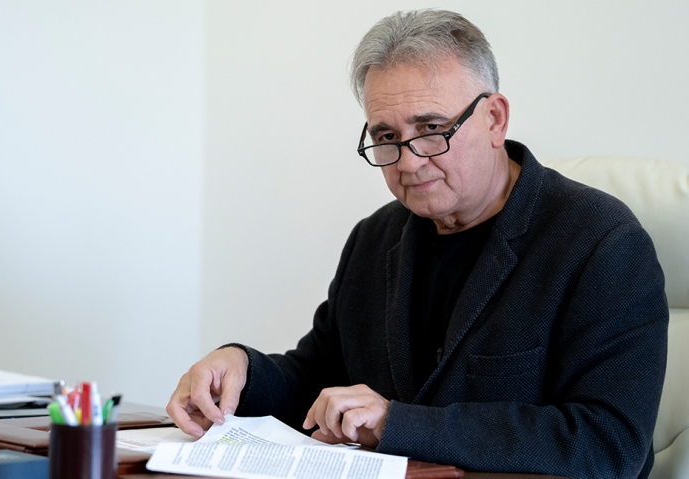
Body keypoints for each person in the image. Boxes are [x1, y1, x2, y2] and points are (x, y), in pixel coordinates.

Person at [167, 9, 668, 479]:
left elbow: (610, 443)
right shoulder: (374, 237)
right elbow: (319, 378)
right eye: (386, 136)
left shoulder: (601, 241)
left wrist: (397, 422)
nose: (408, 162)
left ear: (495, 119)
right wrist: (242, 369)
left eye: (431, 129)